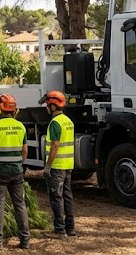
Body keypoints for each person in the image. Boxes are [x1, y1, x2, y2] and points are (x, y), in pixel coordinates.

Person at [0, 93, 30, 250]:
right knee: (20, 205)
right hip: (17, 171)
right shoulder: (21, 126)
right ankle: (25, 241)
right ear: (14, 109)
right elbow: (25, 152)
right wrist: (17, 164)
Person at [41, 90, 75, 239]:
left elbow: (55, 146)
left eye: (47, 105)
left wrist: (48, 166)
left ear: (53, 106)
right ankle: (70, 228)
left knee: (56, 197)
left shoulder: (55, 123)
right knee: (67, 196)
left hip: (57, 167)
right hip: (68, 165)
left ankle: (60, 230)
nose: (46, 108)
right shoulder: (68, 121)